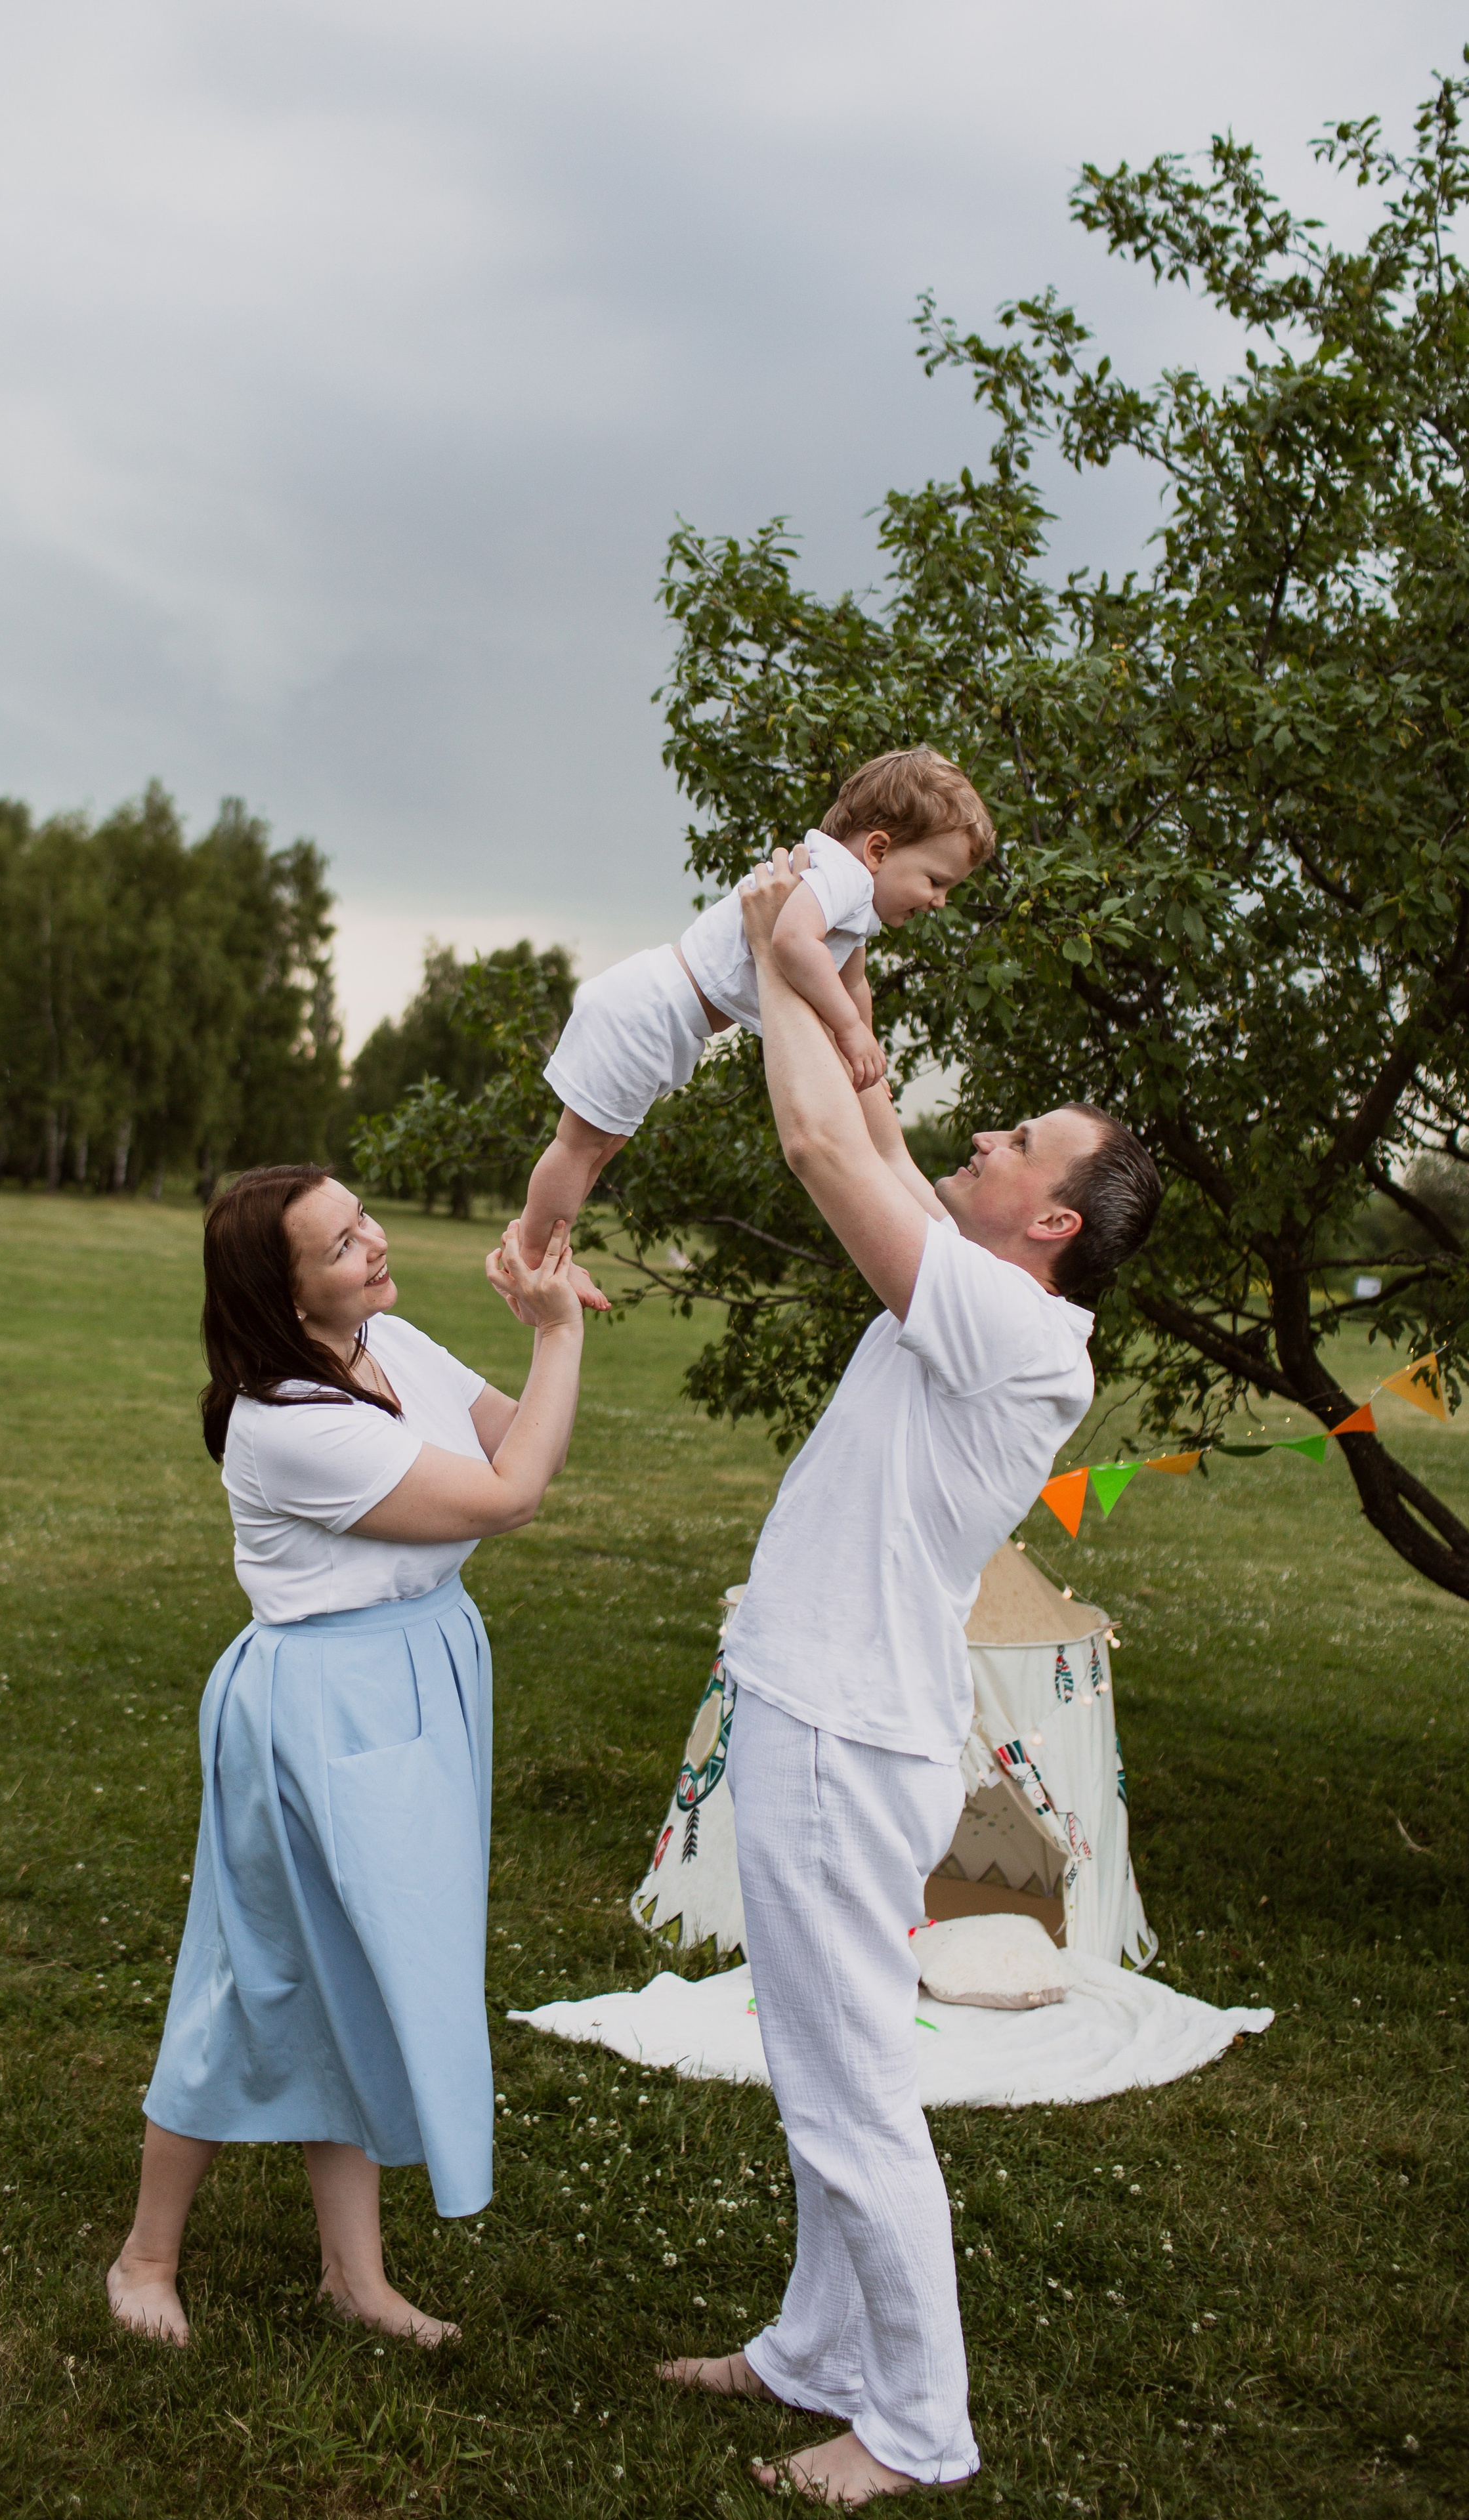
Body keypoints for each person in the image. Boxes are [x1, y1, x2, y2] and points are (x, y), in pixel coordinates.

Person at [662, 849, 1162, 2502]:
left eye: (1014, 1141)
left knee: (850, 2089)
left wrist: (763, 950)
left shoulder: (1014, 1331)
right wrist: (833, 975)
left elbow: (822, 1148)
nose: (981, 1138)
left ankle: (916, 2427)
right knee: (820, 2066)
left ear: (1052, 1222)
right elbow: (870, 1124)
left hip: (837, 1728)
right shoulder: (976, 1285)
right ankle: (816, 2350)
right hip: (826, 1706)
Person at [106, 1166, 584, 2349]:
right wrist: (558, 1331)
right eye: (339, 1245)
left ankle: (354, 2278)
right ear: (285, 1296)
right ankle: (145, 2257)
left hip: (420, 1679)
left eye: (362, 1218)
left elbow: (514, 1442)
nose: (373, 1243)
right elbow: (510, 1498)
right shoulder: (289, 1424)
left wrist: (543, 1333)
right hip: (323, 1708)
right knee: (258, 1975)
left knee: (368, 1970)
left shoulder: (388, 1342)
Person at [521, 748, 994, 1309]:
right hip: (647, 1013)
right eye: (936, 881)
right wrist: (849, 1031)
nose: (940, 901)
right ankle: (534, 1256)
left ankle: (550, 1249)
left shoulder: (853, 898)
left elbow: (853, 983)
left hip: (664, 1019)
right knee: (580, 1147)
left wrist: (863, 1050)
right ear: (878, 849)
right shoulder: (842, 877)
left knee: (601, 1147)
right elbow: (790, 942)